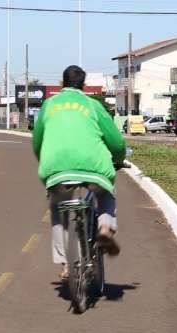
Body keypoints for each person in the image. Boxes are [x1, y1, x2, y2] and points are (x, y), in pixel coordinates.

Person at [32, 65, 126, 279]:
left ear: (61, 84)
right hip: (95, 168)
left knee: (58, 207)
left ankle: (65, 263)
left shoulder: (48, 105)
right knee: (105, 194)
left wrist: (44, 163)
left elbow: (37, 141)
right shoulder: (92, 105)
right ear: (83, 86)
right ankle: (104, 229)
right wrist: (119, 159)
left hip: (56, 168)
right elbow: (116, 141)